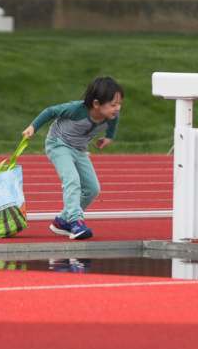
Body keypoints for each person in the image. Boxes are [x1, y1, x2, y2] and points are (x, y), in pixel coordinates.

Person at [22, 76, 123, 240]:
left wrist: (108, 138)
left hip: (79, 149)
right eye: (113, 104)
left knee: (92, 189)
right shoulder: (76, 110)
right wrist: (33, 127)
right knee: (72, 180)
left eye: (119, 104)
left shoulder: (111, 115)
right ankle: (76, 222)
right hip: (58, 144)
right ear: (96, 104)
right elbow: (51, 111)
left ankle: (63, 221)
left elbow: (112, 125)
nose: (117, 108)